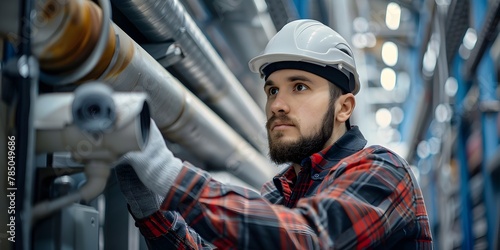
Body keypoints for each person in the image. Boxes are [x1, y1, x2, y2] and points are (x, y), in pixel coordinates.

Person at [115, 19, 433, 249]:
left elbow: (310, 240)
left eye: (299, 87)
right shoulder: (280, 193)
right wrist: (151, 206)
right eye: (272, 90)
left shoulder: (384, 170)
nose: (277, 105)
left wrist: (167, 173)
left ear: (344, 107)